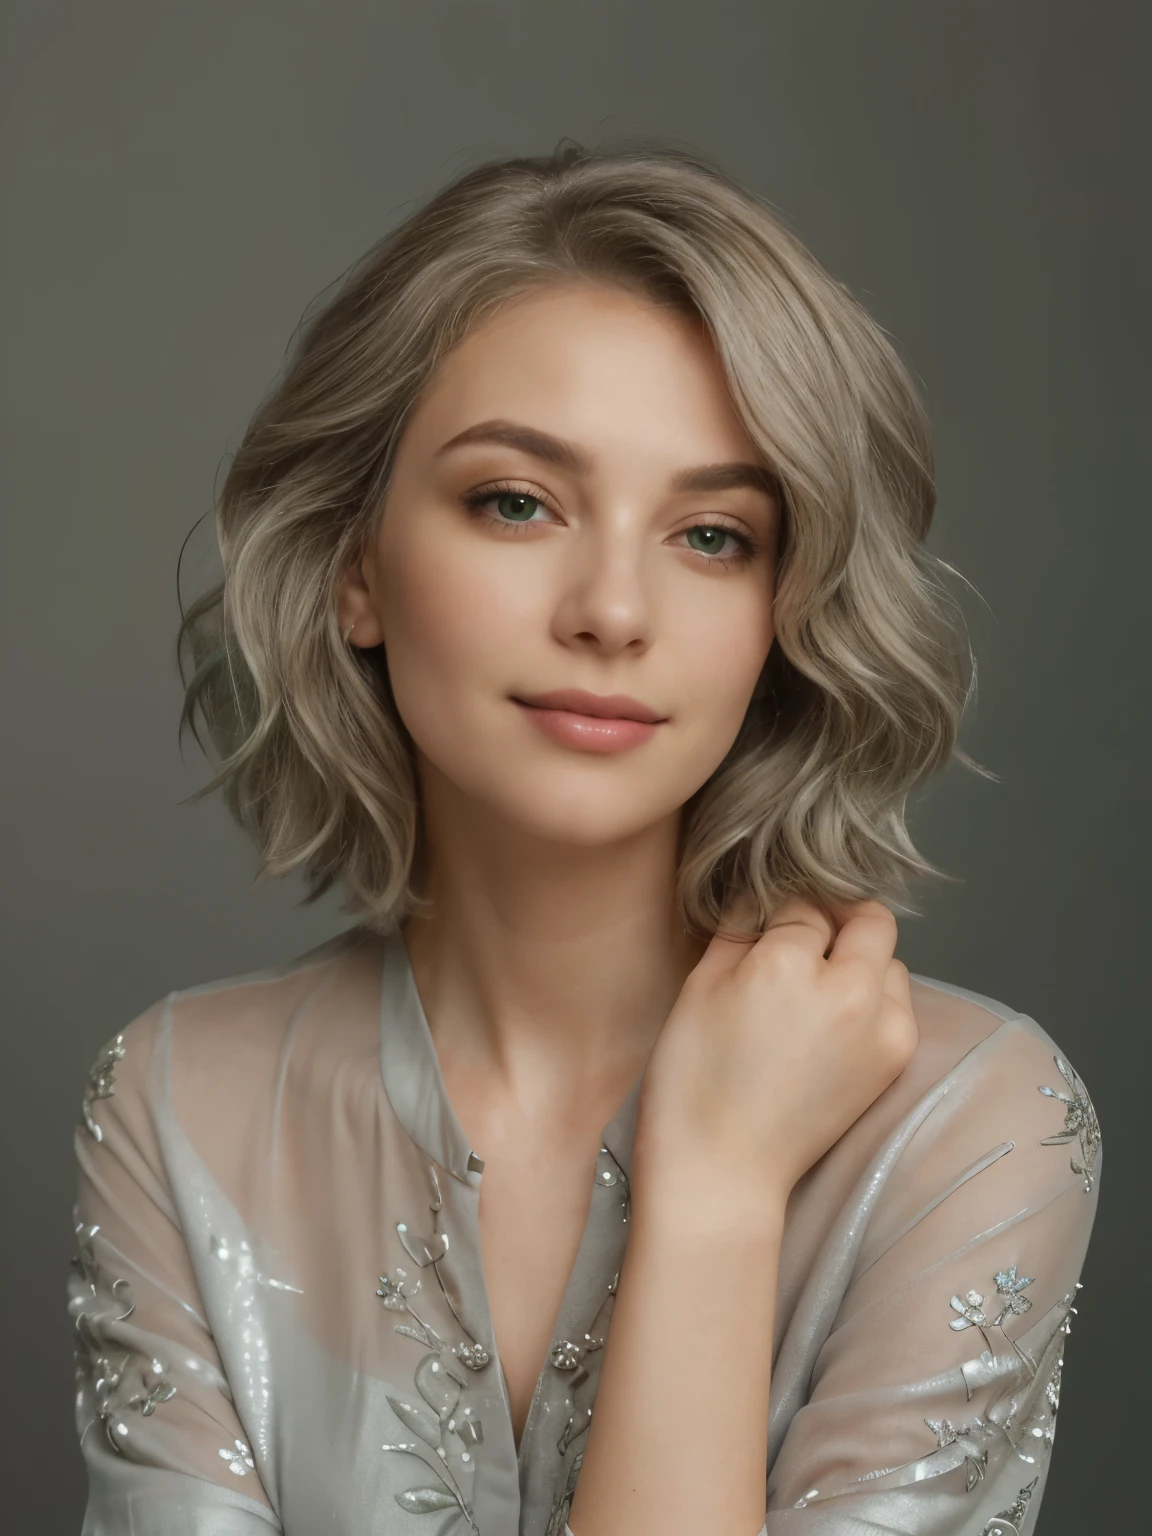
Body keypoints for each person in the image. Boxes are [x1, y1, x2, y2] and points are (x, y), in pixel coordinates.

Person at [68, 142, 1100, 1536]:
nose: (614, 608)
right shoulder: (178, 1106)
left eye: (713, 534)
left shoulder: (973, 1128)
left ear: (784, 607)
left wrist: (721, 1193)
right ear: (355, 566)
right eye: (518, 502)